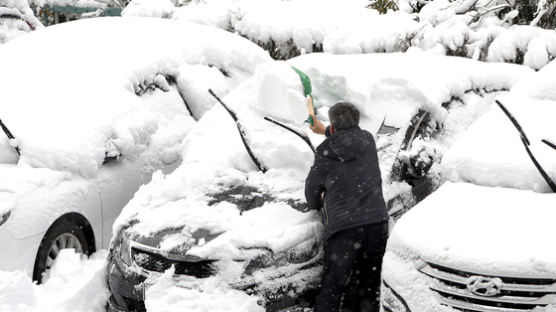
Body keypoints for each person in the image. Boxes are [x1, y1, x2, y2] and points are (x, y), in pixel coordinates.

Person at [305, 98, 388, 312]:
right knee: (368, 287)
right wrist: (325, 131)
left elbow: (312, 189)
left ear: (333, 126)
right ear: (358, 123)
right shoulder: (368, 140)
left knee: (332, 287)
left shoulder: (325, 151)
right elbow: (349, 140)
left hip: (345, 230)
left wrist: (315, 204)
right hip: (376, 225)